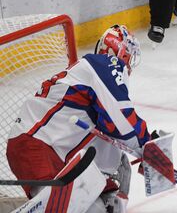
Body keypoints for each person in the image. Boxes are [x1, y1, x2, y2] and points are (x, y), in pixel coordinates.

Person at [6, 25, 158, 213]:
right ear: (121, 52)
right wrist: (149, 148)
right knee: (57, 209)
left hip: (48, 150)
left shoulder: (88, 83)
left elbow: (111, 131)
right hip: (36, 145)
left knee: (95, 207)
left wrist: (117, 195)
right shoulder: (103, 64)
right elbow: (122, 119)